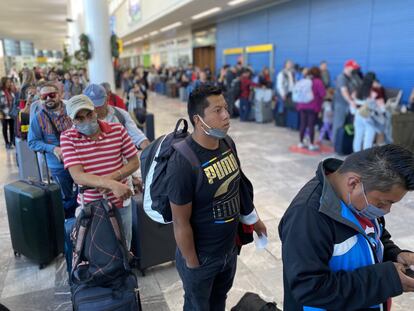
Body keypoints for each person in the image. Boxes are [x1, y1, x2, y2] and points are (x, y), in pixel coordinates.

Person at [166, 84, 267, 310]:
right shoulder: (183, 162)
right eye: (217, 110)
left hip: (228, 250)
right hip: (202, 258)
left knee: (219, 302)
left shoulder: (227, 143)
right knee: (197, 306)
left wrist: (254, 220)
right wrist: (193, 264)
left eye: (226, 108)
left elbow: (238, 187)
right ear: (197, 119)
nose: (226, 116)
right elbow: (180, 222)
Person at [279, 144, 414, 310]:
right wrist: (386, 279)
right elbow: (309, 288)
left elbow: (374, 236)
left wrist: (395, 254)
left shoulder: (359, 201)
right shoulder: (307, 217)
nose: (386, 210)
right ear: (354, 183)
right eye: (383, 202)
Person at [60, 95, 139, 249]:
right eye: (79, 118)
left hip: (121, 200)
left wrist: (111, 181)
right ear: (71, 120)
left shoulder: (117, 129)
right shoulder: (68, 138)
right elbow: (78, 176)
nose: (86, 121)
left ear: (95, 111)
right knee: (99, 251)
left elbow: (134, 162)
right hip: (92, 206)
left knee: (124, 245)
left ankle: (124, 271)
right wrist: (110, 184)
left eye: (89, 114)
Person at [28, 83, 77, 218]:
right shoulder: (38, 118)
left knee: (85, 193)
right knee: (67, 198)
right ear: (40, 98)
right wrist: (53, 148)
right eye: (44, 96)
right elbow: (32, 142)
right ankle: (70, 227)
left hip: (80, 161)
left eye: (52, 95)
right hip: (58, 166)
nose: (48, 98)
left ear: (59, 95)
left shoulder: (72, 111)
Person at [84, 84, 149, 150]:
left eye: (98, 104)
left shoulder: (121, 114)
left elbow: (138, 137)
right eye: (91, 105)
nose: (95, 108)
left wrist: (150, 152)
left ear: (107, 99)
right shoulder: (81, 121)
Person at [353, 72, 386, 152]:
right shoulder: (374, 92)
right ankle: (366, 158)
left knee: (358, 136)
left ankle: (355, 156)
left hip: (358, 114)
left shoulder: (358, 89)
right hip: (368, 116)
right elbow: (382, 107)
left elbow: (353, 101)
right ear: (373, 80)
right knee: (368, 138)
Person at [296, 67, 326, 151]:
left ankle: (301, 143)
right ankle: (311, 144)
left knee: (303, 124)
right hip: (312, 107)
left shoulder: (304, 80)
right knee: (311, 126)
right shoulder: (318, 82)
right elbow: (323, 94)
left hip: (302, 105)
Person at [332, 59, 359, 143]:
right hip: (341, 104)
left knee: (346, 125)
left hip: (349, 104)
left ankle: (342, 143)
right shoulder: (341, 77)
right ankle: (336, 144)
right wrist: (351, 101)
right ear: (347, 67)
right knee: (338, 124)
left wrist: (354, 94)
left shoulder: (352, 77)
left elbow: (354, 89)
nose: (354, 69)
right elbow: (344, 91)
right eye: (353, 67)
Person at [0, 77, 16, 149]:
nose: (9, 83)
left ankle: (12, 141)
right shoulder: (1, 92)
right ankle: (7, 143)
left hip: (11, 113)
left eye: (10, 82)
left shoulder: (10, 91)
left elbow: (13, 101)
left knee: (12, 127)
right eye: (8, 82)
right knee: (5, 127)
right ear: (4, 83)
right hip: (3, 113)